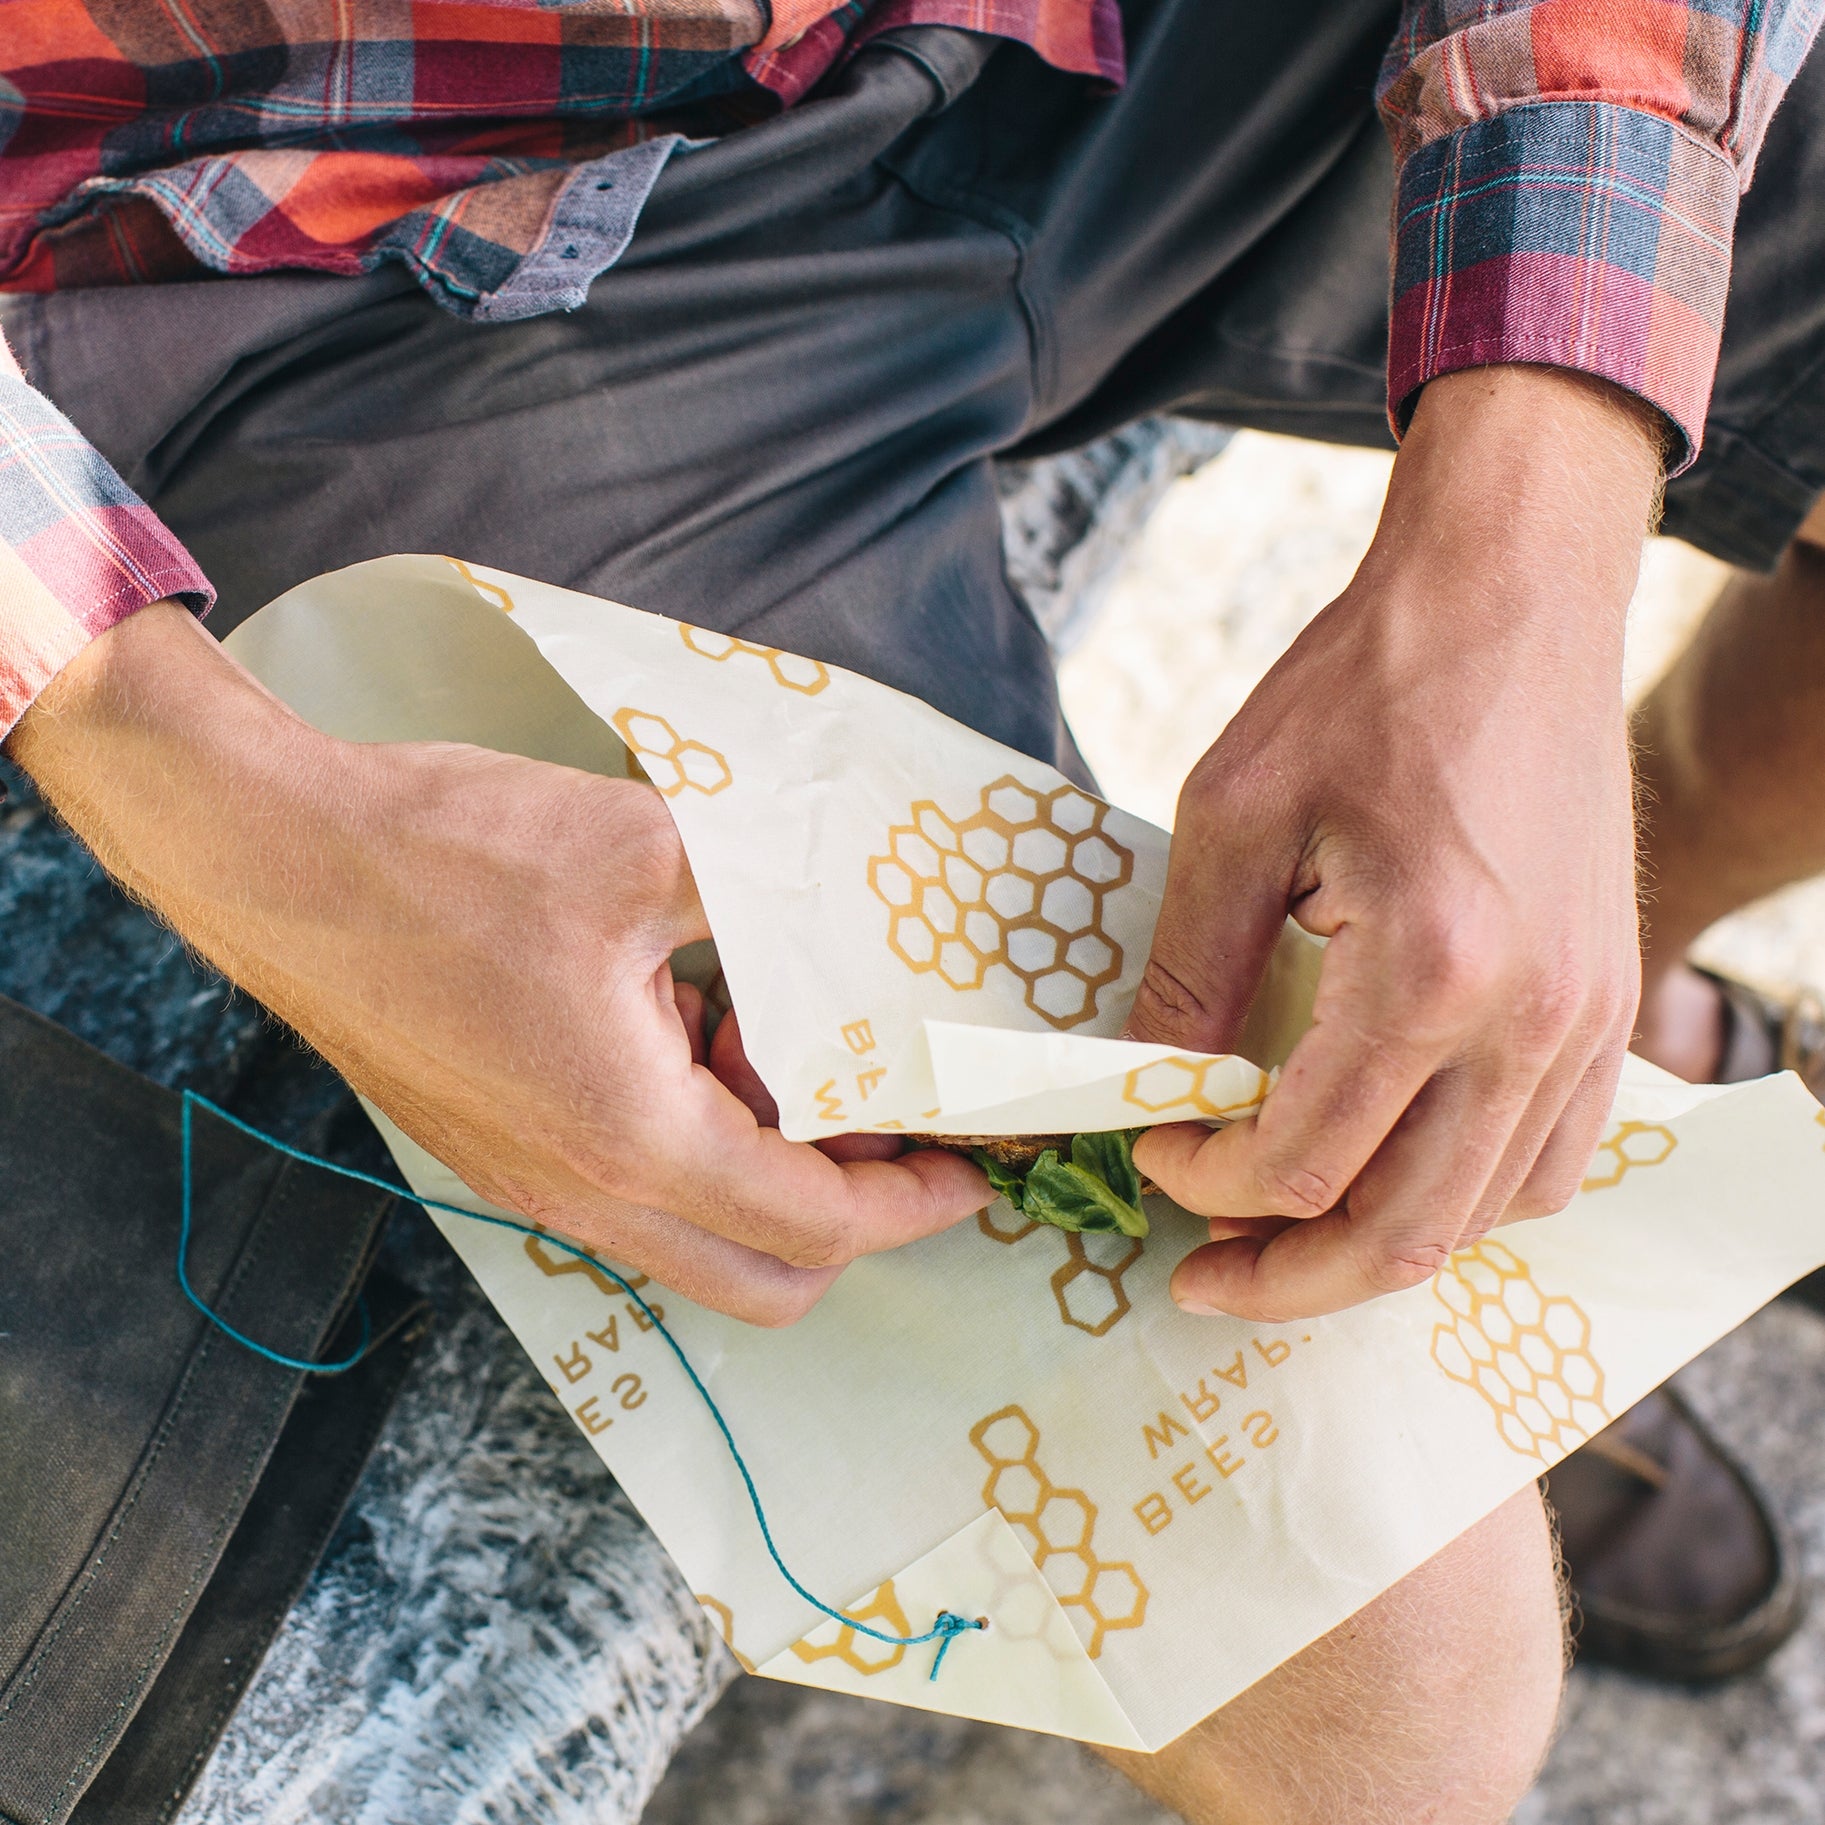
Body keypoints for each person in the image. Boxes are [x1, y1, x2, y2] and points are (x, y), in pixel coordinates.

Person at [1, 0, 1820, 1817]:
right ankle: (1467, 1120)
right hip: (354, 243)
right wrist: (201, 784)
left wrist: (1529, 542)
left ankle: (1528, 1040)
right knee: (1396, 1710)